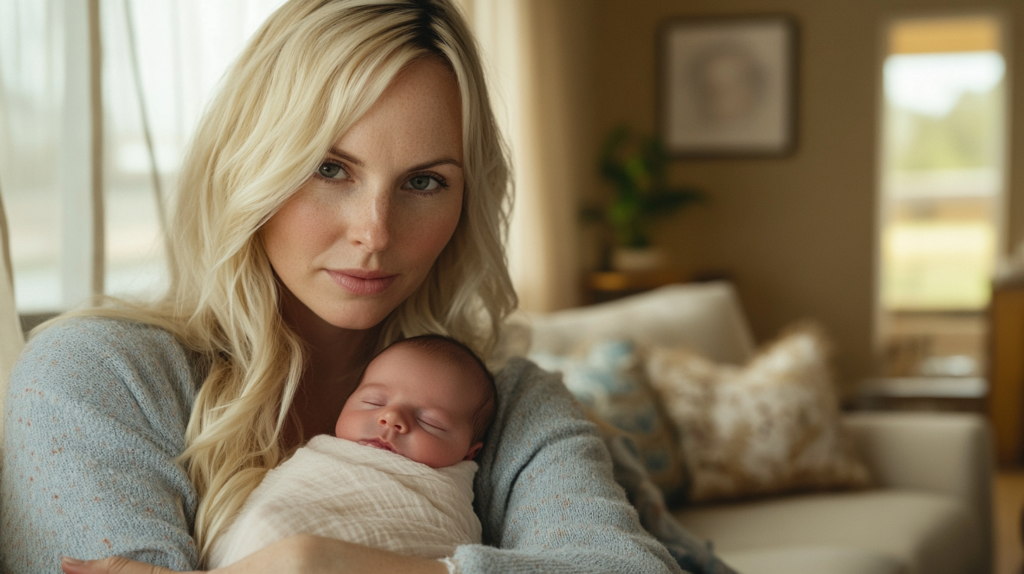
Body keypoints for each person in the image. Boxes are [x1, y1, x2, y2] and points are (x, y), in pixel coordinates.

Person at [1, 1, 690, 573]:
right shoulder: (97, 378)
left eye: (424, 182)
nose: (376, 232)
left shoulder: (507, 404)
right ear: (250, 170)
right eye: (330, 169)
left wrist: (318, 562)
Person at [208, 335, 497, 567]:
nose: (392, 418)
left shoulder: (444, 497)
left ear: (469, 454)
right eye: (373, 401)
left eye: (429, 421)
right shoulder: (322, 458)